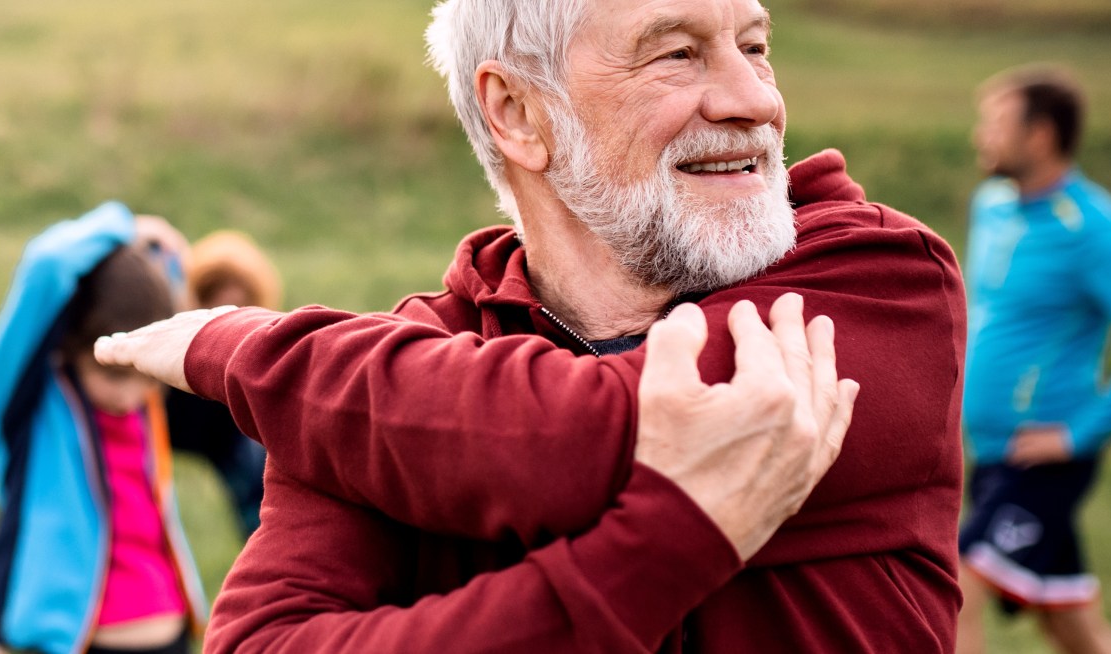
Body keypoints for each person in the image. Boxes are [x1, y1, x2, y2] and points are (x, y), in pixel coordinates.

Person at [94, 0, 971, 650]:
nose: (752, 99)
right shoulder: (391, 379)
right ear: (516, 112)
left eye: (755, 47)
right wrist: (663, 544)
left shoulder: (880, 279)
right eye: (676, 54)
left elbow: (582, 435)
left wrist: (254, 350)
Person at [955, 65, 1111, 654]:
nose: (979, 136)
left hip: (1042, 459)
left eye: (995, 124)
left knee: (954, 591)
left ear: (1039, 136)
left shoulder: (1091, 228)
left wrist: (1078, 436)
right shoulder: (993, 205)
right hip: (990, 454)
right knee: (1069, 622)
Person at [0, 202, 209, 654]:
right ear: (71, 347)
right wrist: (126, 225)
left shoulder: (143, 405)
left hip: (172, 633)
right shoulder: (30, 405)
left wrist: (162, 255)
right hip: (76, 642)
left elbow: (169, 296)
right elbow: (49, 263)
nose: (131, 395)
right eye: (113, 375)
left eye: (146, 377)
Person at [164, 230, 277, 535]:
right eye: (212, 309)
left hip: (220, 428)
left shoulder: (253, 362)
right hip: (168, 417)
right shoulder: (164, 343)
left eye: (239, 312)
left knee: (260, 490)